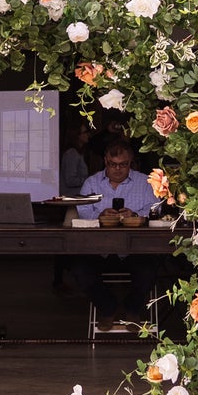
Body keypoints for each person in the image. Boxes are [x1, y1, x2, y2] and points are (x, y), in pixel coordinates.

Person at [69, 137, 160, 325]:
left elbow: (156, 210)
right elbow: (83, 215)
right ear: (105, 162)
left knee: (149, 271)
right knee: (79, 270)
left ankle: (132, 309)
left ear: (131, 163)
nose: (118, 169)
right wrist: (101, 216)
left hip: (134, 250)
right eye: (113, 164)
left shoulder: (145, 182)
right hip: (99, 250)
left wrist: (135, 215)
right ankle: (108, 307)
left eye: (123, 165)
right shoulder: (92, 183)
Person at [60, 119, 91, 195]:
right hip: (71, 195)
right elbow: (70, 180)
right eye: (84, 132)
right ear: (77, 135)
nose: (87, 135)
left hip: (77, 193)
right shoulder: (71, 154)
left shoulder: (79, 152)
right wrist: (89, 179)